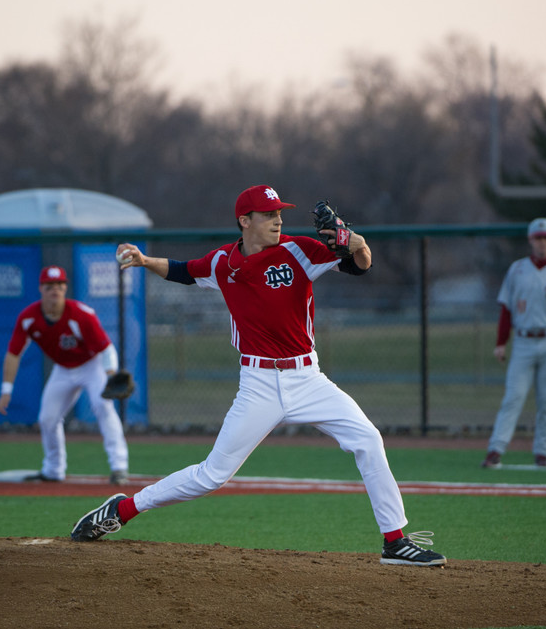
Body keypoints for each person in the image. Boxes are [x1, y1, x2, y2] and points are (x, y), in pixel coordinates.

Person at [70, 185, 446, 567]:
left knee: (368, 439)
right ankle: (123, 510)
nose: (278, 220)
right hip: (258, 384)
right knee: (211, 476)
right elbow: (185, 271)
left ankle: (395, 542)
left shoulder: (299, 251)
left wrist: (356, 242)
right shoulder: (223, 263)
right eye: (269, 214)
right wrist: (146, 259)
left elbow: (361, 264)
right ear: (245, 221)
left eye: (279, 213)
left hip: (308, 379)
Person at [0, 265, 130, 485]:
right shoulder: (29, 318)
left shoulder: (80, 314)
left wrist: (110, 375)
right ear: (41, 289)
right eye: (50, 286)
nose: (55, 290)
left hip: (91, 366)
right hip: (63, 369)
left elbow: (106, 349)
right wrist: (6, 390)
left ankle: (119, 468)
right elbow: (13, 354)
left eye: (60, 285)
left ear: (65, 288)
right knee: (47, 419)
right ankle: (53, 470)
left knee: (103, 406)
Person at [481, 217, 546, 469]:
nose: (542, 242)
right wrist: (501, 342)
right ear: (530, 239)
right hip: (524, 340)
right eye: (538, 237)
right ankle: (496, 449)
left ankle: (542, 452)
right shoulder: (517, 269)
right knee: (513, 396)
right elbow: (506, 308)